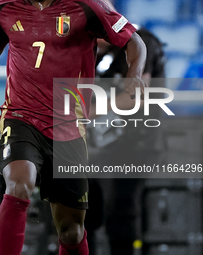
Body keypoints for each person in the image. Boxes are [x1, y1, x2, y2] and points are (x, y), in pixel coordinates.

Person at [0, 0, 147, 254]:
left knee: (71, 231)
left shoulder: (88, 6)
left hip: (68, 126)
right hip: (20, 115)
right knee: (19, 185)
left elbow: (134, 41)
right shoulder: (3, 7)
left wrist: (133, 75)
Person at [85, 25, 166, 255]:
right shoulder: (106, 54)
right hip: (106, 144)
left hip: (137, 142)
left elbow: (136, 96)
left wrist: (89, 111)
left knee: (121, 208)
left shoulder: (142, 41)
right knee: (87, 205)